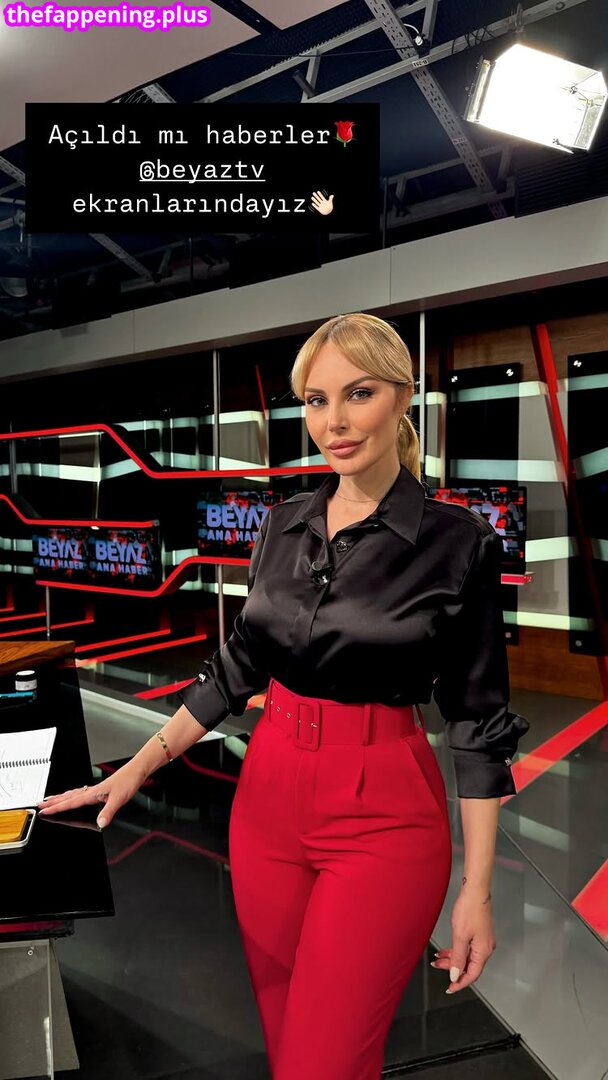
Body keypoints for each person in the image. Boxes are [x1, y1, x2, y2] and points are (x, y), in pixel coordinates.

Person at [38, 312, 530, 1080]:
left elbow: (477, 720)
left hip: (384, 814)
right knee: (288, 1046)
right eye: (316, 400)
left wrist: (478, 892)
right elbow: (237, 667)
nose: (334, 422)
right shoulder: (281, 524)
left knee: (321, 1063)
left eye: (358, 393)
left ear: (403, 395)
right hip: (267, 799)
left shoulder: (458, 542)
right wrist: (133, 769)